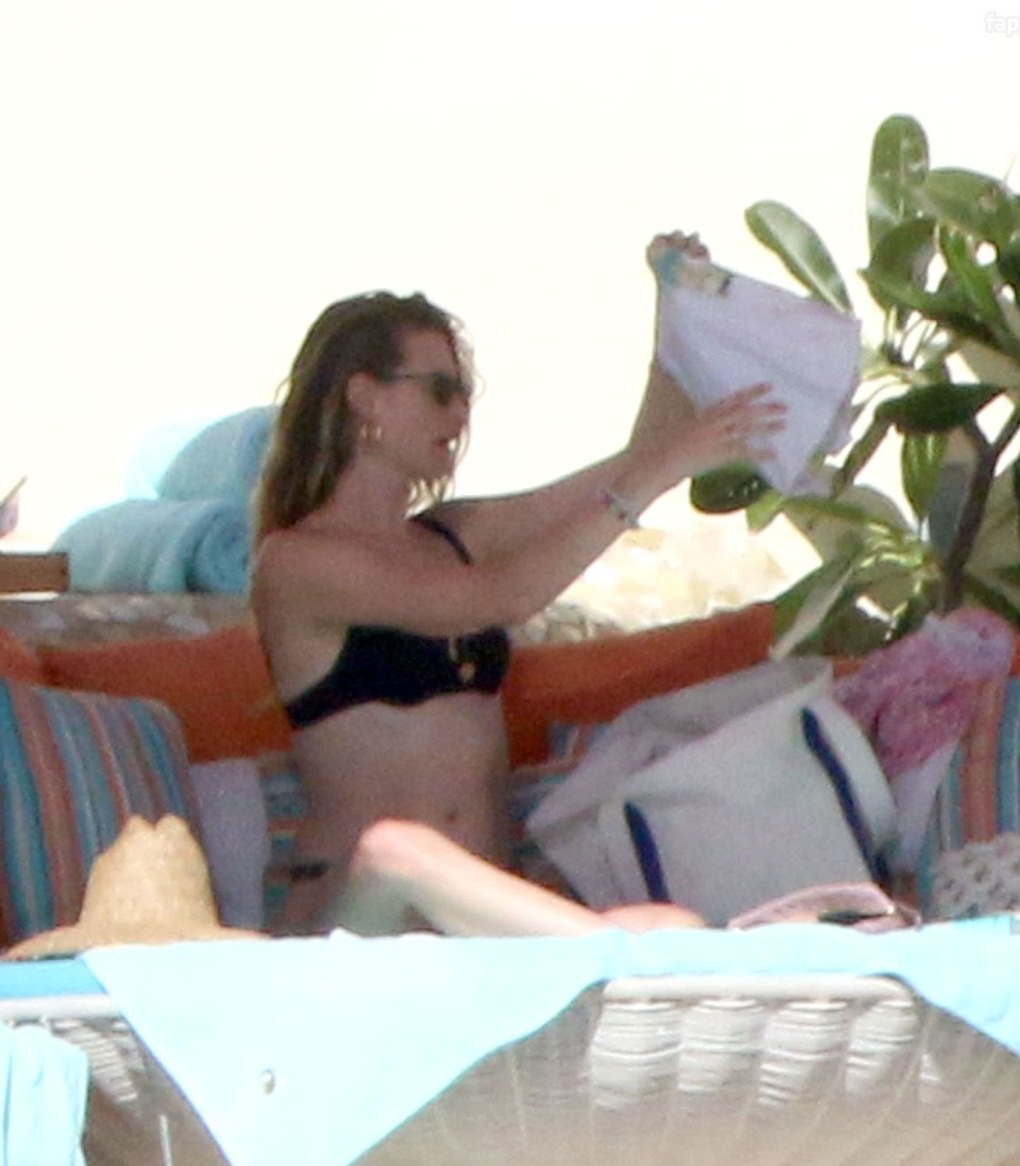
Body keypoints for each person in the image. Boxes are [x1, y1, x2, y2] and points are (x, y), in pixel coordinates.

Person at [251, 232, 785, 937]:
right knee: (395, 849)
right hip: (357, 921)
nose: (459, 414)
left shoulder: (453, 535)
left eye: (463, 394)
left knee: (668, 922)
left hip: (467, 920)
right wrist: (657, 474)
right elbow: (498, 599)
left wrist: (673, 306)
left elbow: (639, 463)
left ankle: (616, 950)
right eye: (439, 391)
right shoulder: (297, 563)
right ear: (363, 398)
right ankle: (609, 952)